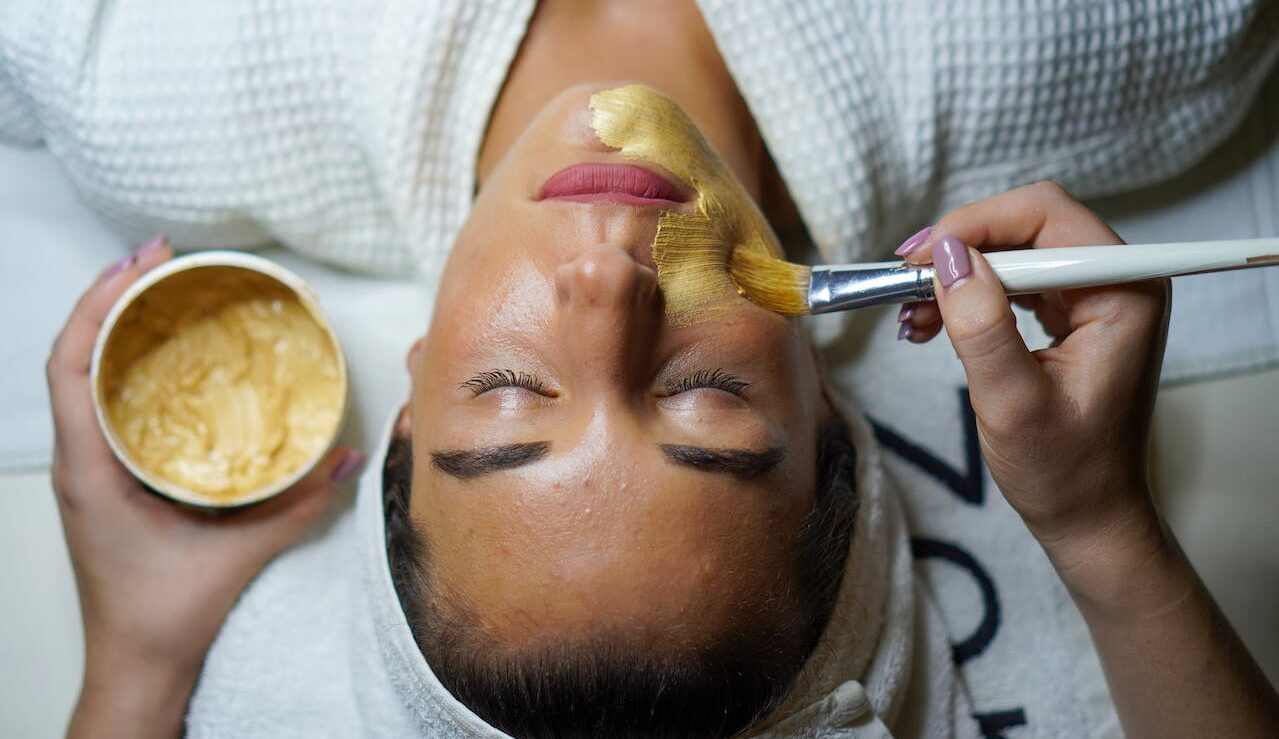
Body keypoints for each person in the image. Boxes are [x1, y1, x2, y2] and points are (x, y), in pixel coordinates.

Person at [13, 1, 1279, 737]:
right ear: (825, 397)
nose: (609, 290)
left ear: (412, 389)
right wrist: (1099, 524)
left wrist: (131, 660)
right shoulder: (1133, 36)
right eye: (702, 395)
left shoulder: (128, 72)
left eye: (511, 388)